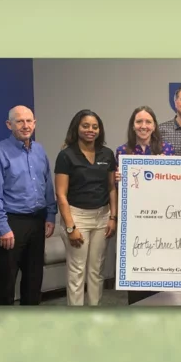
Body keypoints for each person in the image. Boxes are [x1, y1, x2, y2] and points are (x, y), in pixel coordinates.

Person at [0, 105, 57, 305]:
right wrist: (3, 227)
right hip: (11, 223)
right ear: (9, 124)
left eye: (29, 121)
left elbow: (47, 185)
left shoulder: (39, 150)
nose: (25, 125)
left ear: (35, 123)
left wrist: (51, 215)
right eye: (20, 121)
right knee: (5, 283)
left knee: (34, 280)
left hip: (37, 221)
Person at [54, 109, 118, 306]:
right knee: (77, 271)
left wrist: (113, 217)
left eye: (95, 127)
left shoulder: (107, 154)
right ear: (77, 128)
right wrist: (70, 227)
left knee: (96, 271)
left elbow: (111, 188)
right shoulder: (66, 155)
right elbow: (61, 195)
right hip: (77, 218)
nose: (90, 130)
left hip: (102, 217)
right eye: (86, 126)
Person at [115, 106, 175, 305]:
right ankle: (136, 306)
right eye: (139, 122)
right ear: (133, 126)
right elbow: (118, 188)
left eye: (148, 122)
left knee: (159, 263)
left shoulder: (166, 150)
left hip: (161, 218)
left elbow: (174, 185)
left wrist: (168, 168)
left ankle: (160, 305)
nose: (144, 126)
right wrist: (117, 179)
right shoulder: (122, 151)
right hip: (134, 220)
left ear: (154, 126)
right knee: (136, 263)